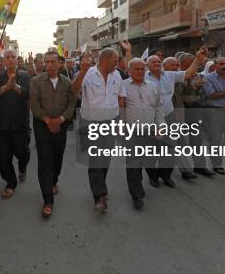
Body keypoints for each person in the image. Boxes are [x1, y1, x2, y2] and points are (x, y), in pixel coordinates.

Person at [144, 47, 207, 186]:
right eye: (153, 62)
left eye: (159, 62)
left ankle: (166, 175)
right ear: (147, 66)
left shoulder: (170, 75)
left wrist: (197, 58)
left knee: (170, 147)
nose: (157, 63)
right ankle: (152, 176)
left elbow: (189, 73)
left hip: (169, 115)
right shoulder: (142, 76)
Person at [72, 48, 125, 212]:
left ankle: (100, 187)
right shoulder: (88, 73)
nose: (117, 64)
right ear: (104, 60)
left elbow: (121, 98)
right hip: (91, 123)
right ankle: (100, 196)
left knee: (106, 158)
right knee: (95, 159)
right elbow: (73, 90)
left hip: (112, 121)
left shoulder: (117, 75)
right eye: (115, 61)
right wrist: (82, 72)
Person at [29, 51, 76, 218]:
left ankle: (54, 181)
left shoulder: (66, 82)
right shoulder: (36, 81)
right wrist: (48, 120)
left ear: (59, 64)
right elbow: (34, 103)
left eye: (52, 62)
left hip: (61, 125)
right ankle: (48, 200)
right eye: (46, 62)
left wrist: (61, 119)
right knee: (45, 160)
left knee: (58, 157)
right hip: (42, 125)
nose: (49, 64)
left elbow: (72, 102)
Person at [121, 58, 164, 210]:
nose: (140, 72)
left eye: (142, 69)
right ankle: (137, 195)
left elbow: (159, 106)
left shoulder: (153, 86)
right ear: (129, 71)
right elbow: (120, 109)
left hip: (150, 130)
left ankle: (151, 176)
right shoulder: (122, 86)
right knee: (133, 165)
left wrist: (160, 126)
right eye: (136, 69)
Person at [0, 49, 31, 199]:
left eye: (13, 57)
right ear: (3, 61)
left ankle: (22, 167)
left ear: (16, 59)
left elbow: (28, 94)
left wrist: (15, 87)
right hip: (2, 125)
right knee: (4, 158)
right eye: (7, 57)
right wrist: (6, 87)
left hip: (20, 124)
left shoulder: (25, 76)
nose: (10, 59)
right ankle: (10, 183)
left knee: (23, 153)